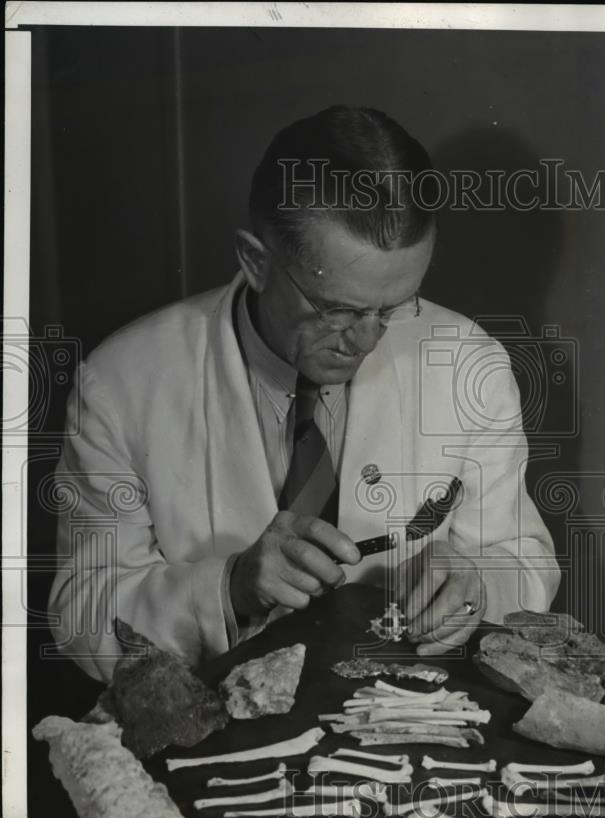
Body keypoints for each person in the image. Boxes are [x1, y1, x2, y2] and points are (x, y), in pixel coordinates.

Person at [48, 105, 561, 682]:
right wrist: (228, 588)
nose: (367, 340)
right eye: (337, 309)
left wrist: (476, 584)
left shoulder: (470, 363)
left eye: (393, 308)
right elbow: (82, 615)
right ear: (256, 260)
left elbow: (524, 559)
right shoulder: (121, 381)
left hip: (400, 722)